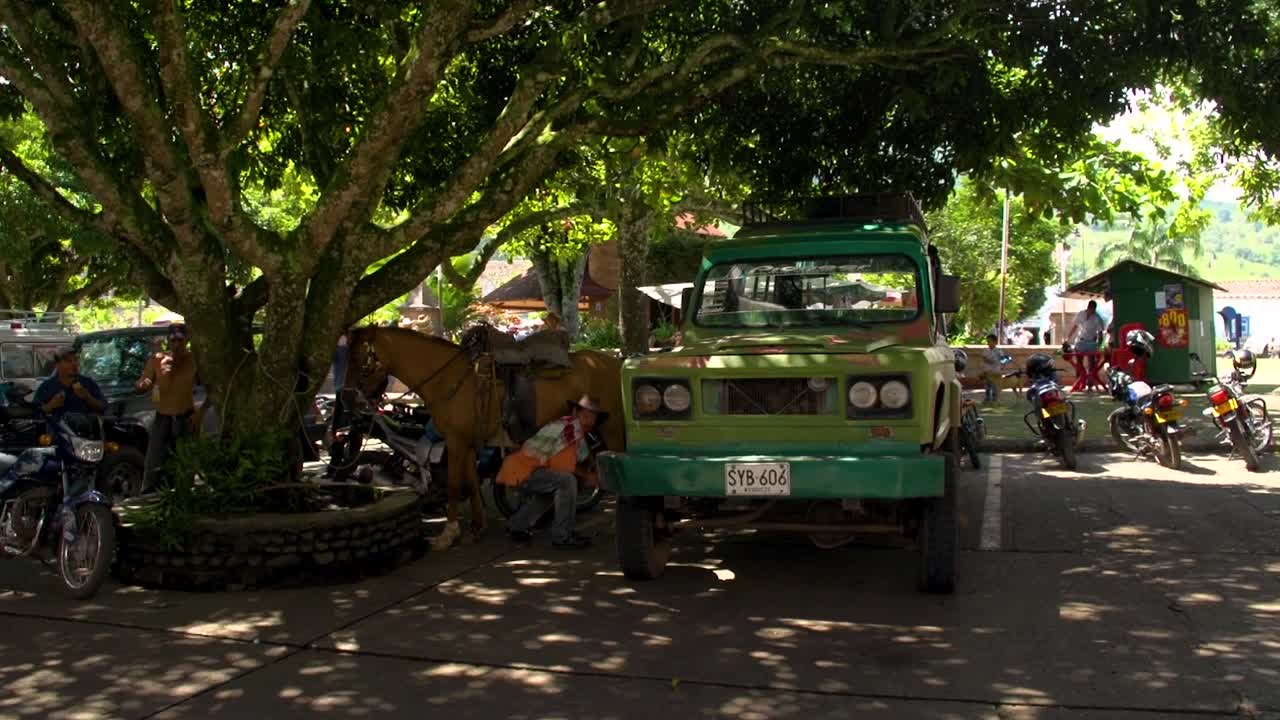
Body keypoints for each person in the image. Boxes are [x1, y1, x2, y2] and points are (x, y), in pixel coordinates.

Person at [496, 394, 606, 550]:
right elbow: (562, 466)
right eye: (585, 414)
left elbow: (581, 459)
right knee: (567, 481)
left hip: (521, 470)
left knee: (552, 491)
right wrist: (588, 476)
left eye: (592, 416)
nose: (589, 418)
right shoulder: (570, 427)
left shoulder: (577, 434)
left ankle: (517, 525)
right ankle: (563, 536)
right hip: (523, 470)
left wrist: (590, 473)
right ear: (575, 412)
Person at [135, 324, 198, 492]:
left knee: (185, 463)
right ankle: (148, 493)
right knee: (154, 460)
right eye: (172, 340)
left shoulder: (193, 360)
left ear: (187, 341)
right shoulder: (157, 359)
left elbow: (212, 388)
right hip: (163, 417)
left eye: (180, 340)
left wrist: (200, 413)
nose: (176, 344)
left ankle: (184, 494)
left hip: (185, 416)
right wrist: (145, 384)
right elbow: (142, 384)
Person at [34, 346, 107, 418]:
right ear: (57, 365)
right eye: (68, 361)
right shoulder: (47, 387)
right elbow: (35, 413)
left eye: (76, 360)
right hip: (58, 429)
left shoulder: (88, 383)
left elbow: (103, 408)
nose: (74, 364)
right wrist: (51, 405)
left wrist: (87, 397)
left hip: (84, 428)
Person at [1068, 300, 1107, 391]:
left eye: (1093, 309)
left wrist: (1100, 347)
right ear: (1088, 307)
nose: (1092, 311)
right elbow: (1075, 326)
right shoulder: (1081, 314)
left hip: (1091, 342)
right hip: (1080, 341)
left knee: (1091, 362)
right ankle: (1080, 382)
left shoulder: (1097, 318)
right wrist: (1068, 338)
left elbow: (1100, 334)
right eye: (1090, 309)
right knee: (1079, 362)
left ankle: (1090, 383)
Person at [981, 334, 1002, 404]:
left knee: (995, 386)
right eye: (988, 342)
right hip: (987, 371)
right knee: (987, 386)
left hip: (995, 371)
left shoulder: (999, 351)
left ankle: (995, 399)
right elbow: (984, 358)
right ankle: (987, 398)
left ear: (995, 342)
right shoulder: (986, 350)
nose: (989, 343)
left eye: (990, 341)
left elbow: (1002, 359)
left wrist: (1001, 366)